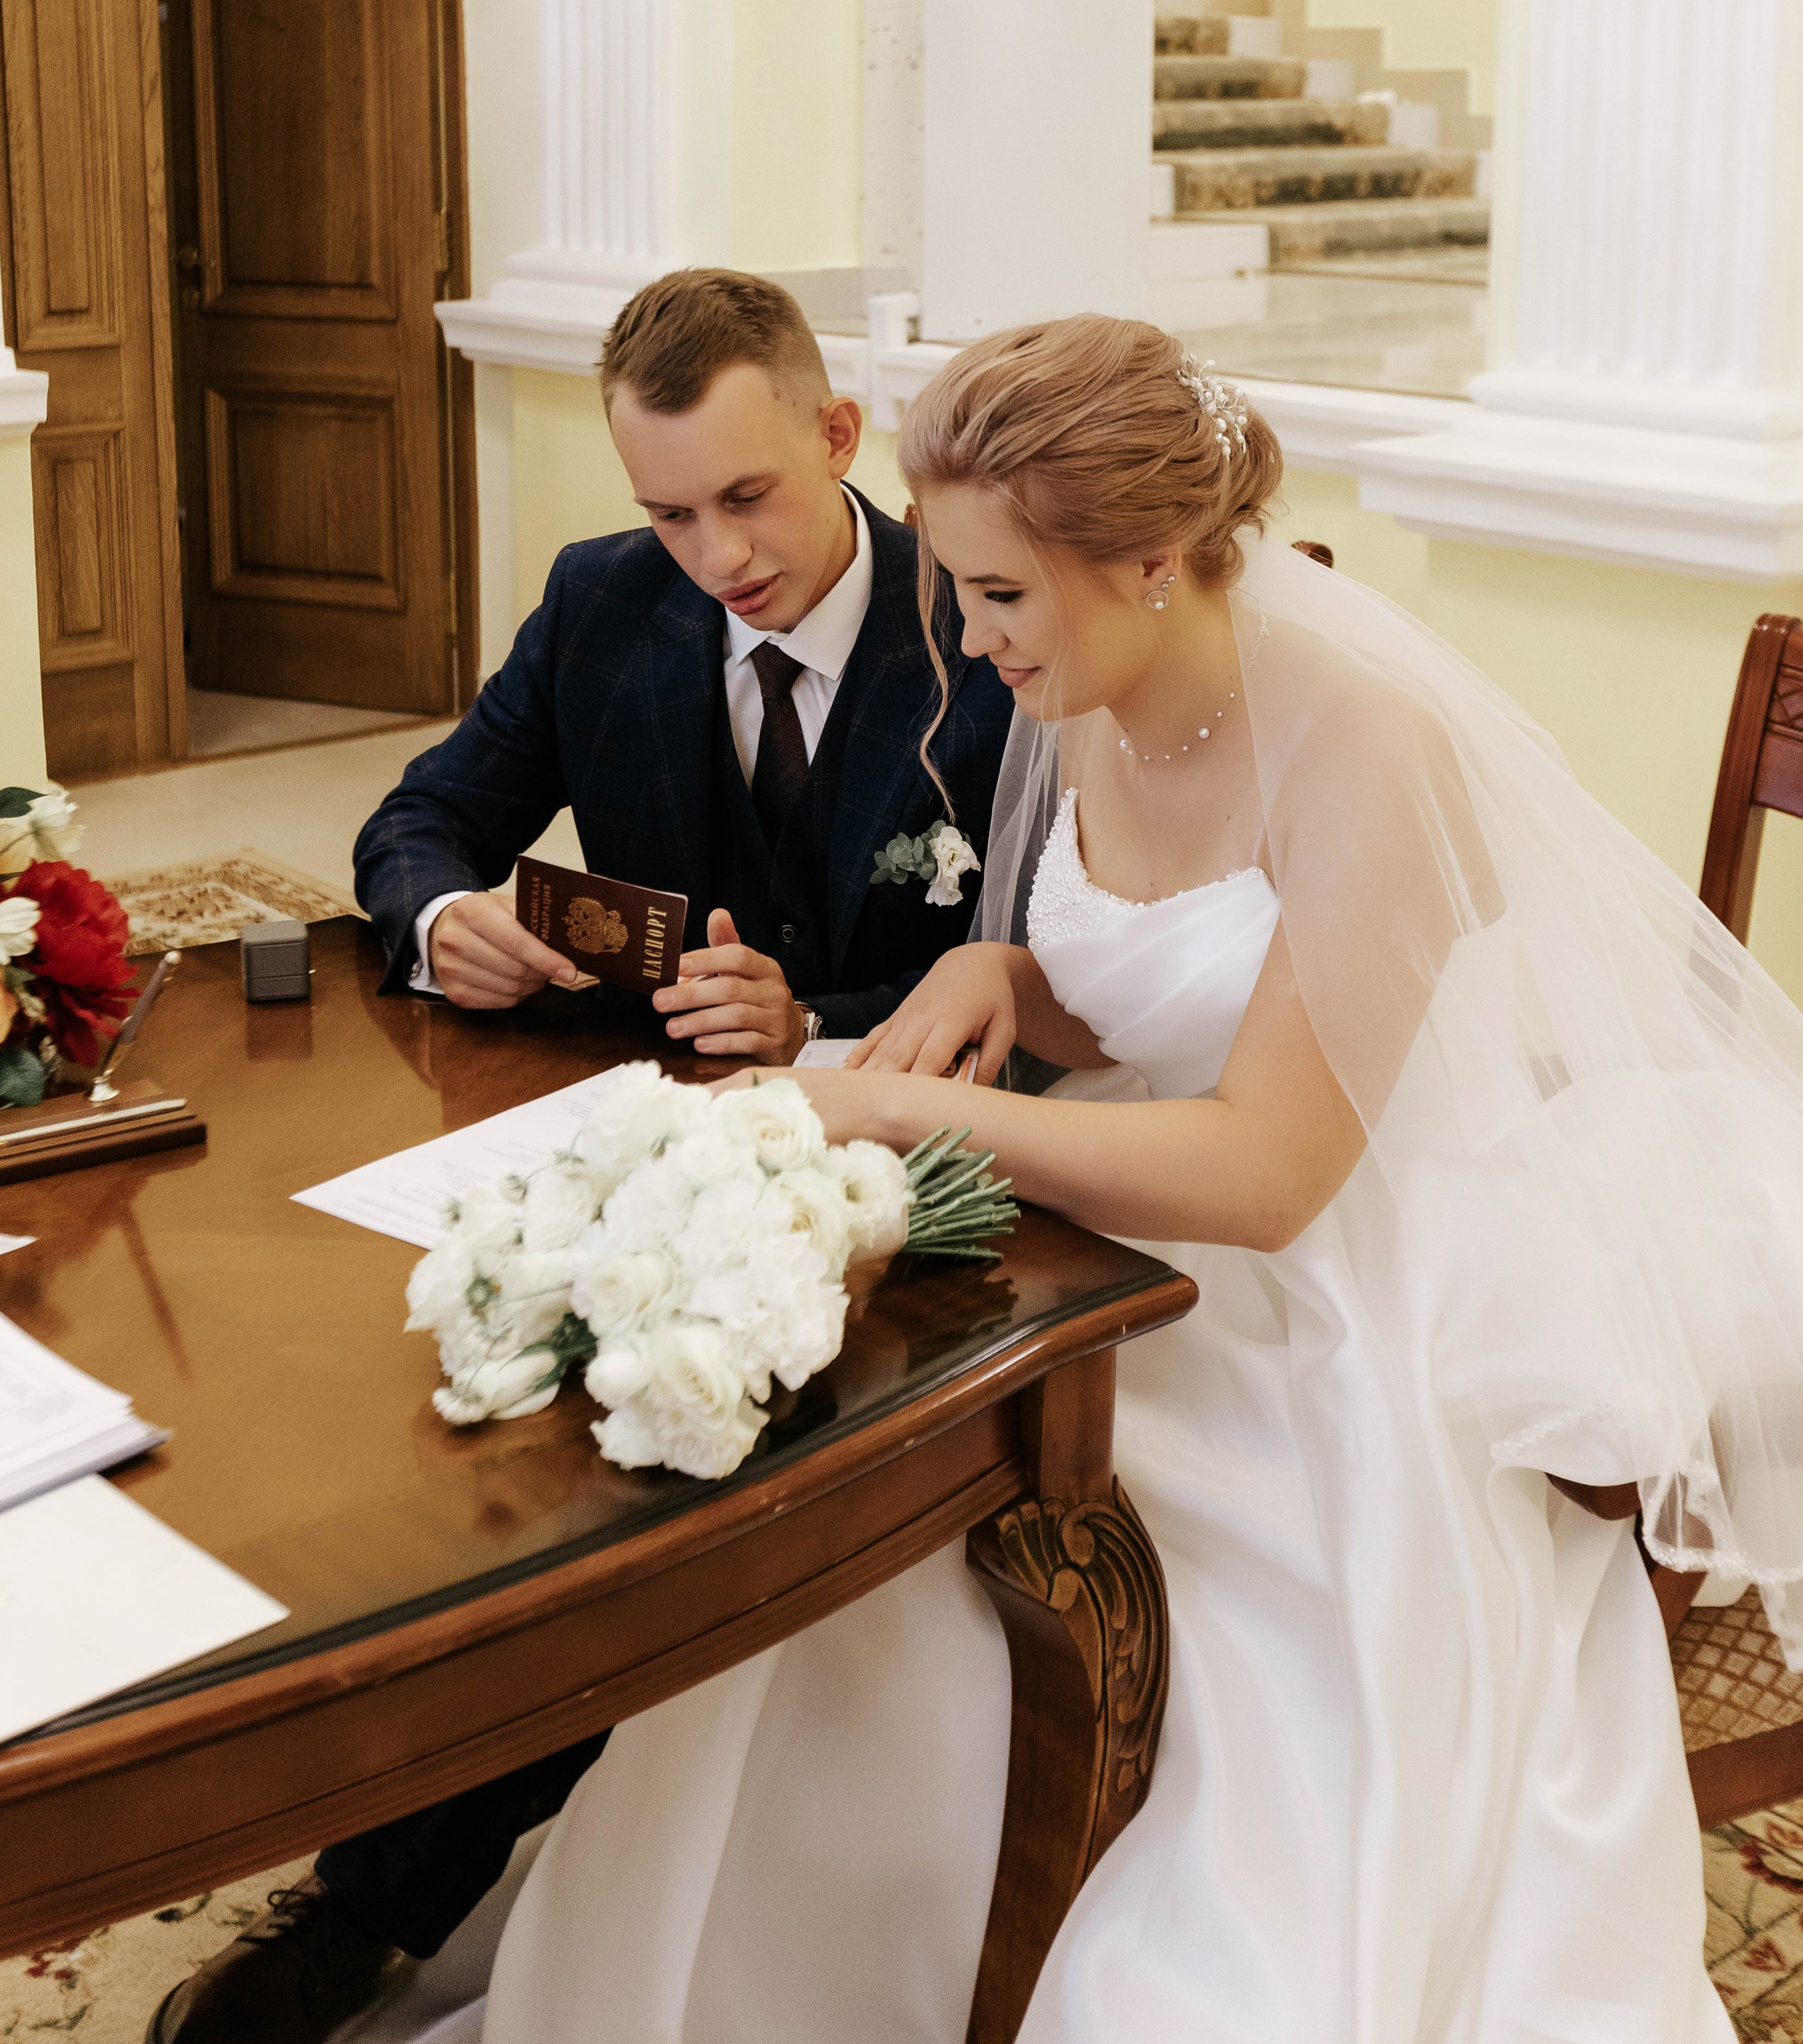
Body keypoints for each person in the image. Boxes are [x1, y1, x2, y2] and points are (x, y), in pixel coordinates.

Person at [444, 314, 1803, 2044]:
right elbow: (1150, 984)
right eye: (956, 586)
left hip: (1320, 1319)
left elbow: (1265, 1167)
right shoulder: (1083, 687)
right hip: (1107, 1231)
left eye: (1000, 595)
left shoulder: (1373, 748)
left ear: (1154, 561)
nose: (963, 635)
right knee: (831, 1512)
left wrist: (896, 1118)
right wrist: (1007, 982)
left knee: (929, 1558)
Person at [146, 269, 1010, 2044]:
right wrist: (447, 908)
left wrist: (825, 1021)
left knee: (638, 1495)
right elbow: (424, 816)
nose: (713, 555)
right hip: (630, 1153)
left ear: (838, 440)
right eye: (668, 512)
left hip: (905, 1182)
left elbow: (1037, 963)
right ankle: (378, 1877)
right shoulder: (602, 603)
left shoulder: (987, 624)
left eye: (747, 498)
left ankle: (463, 1849)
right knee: (484, 1435)